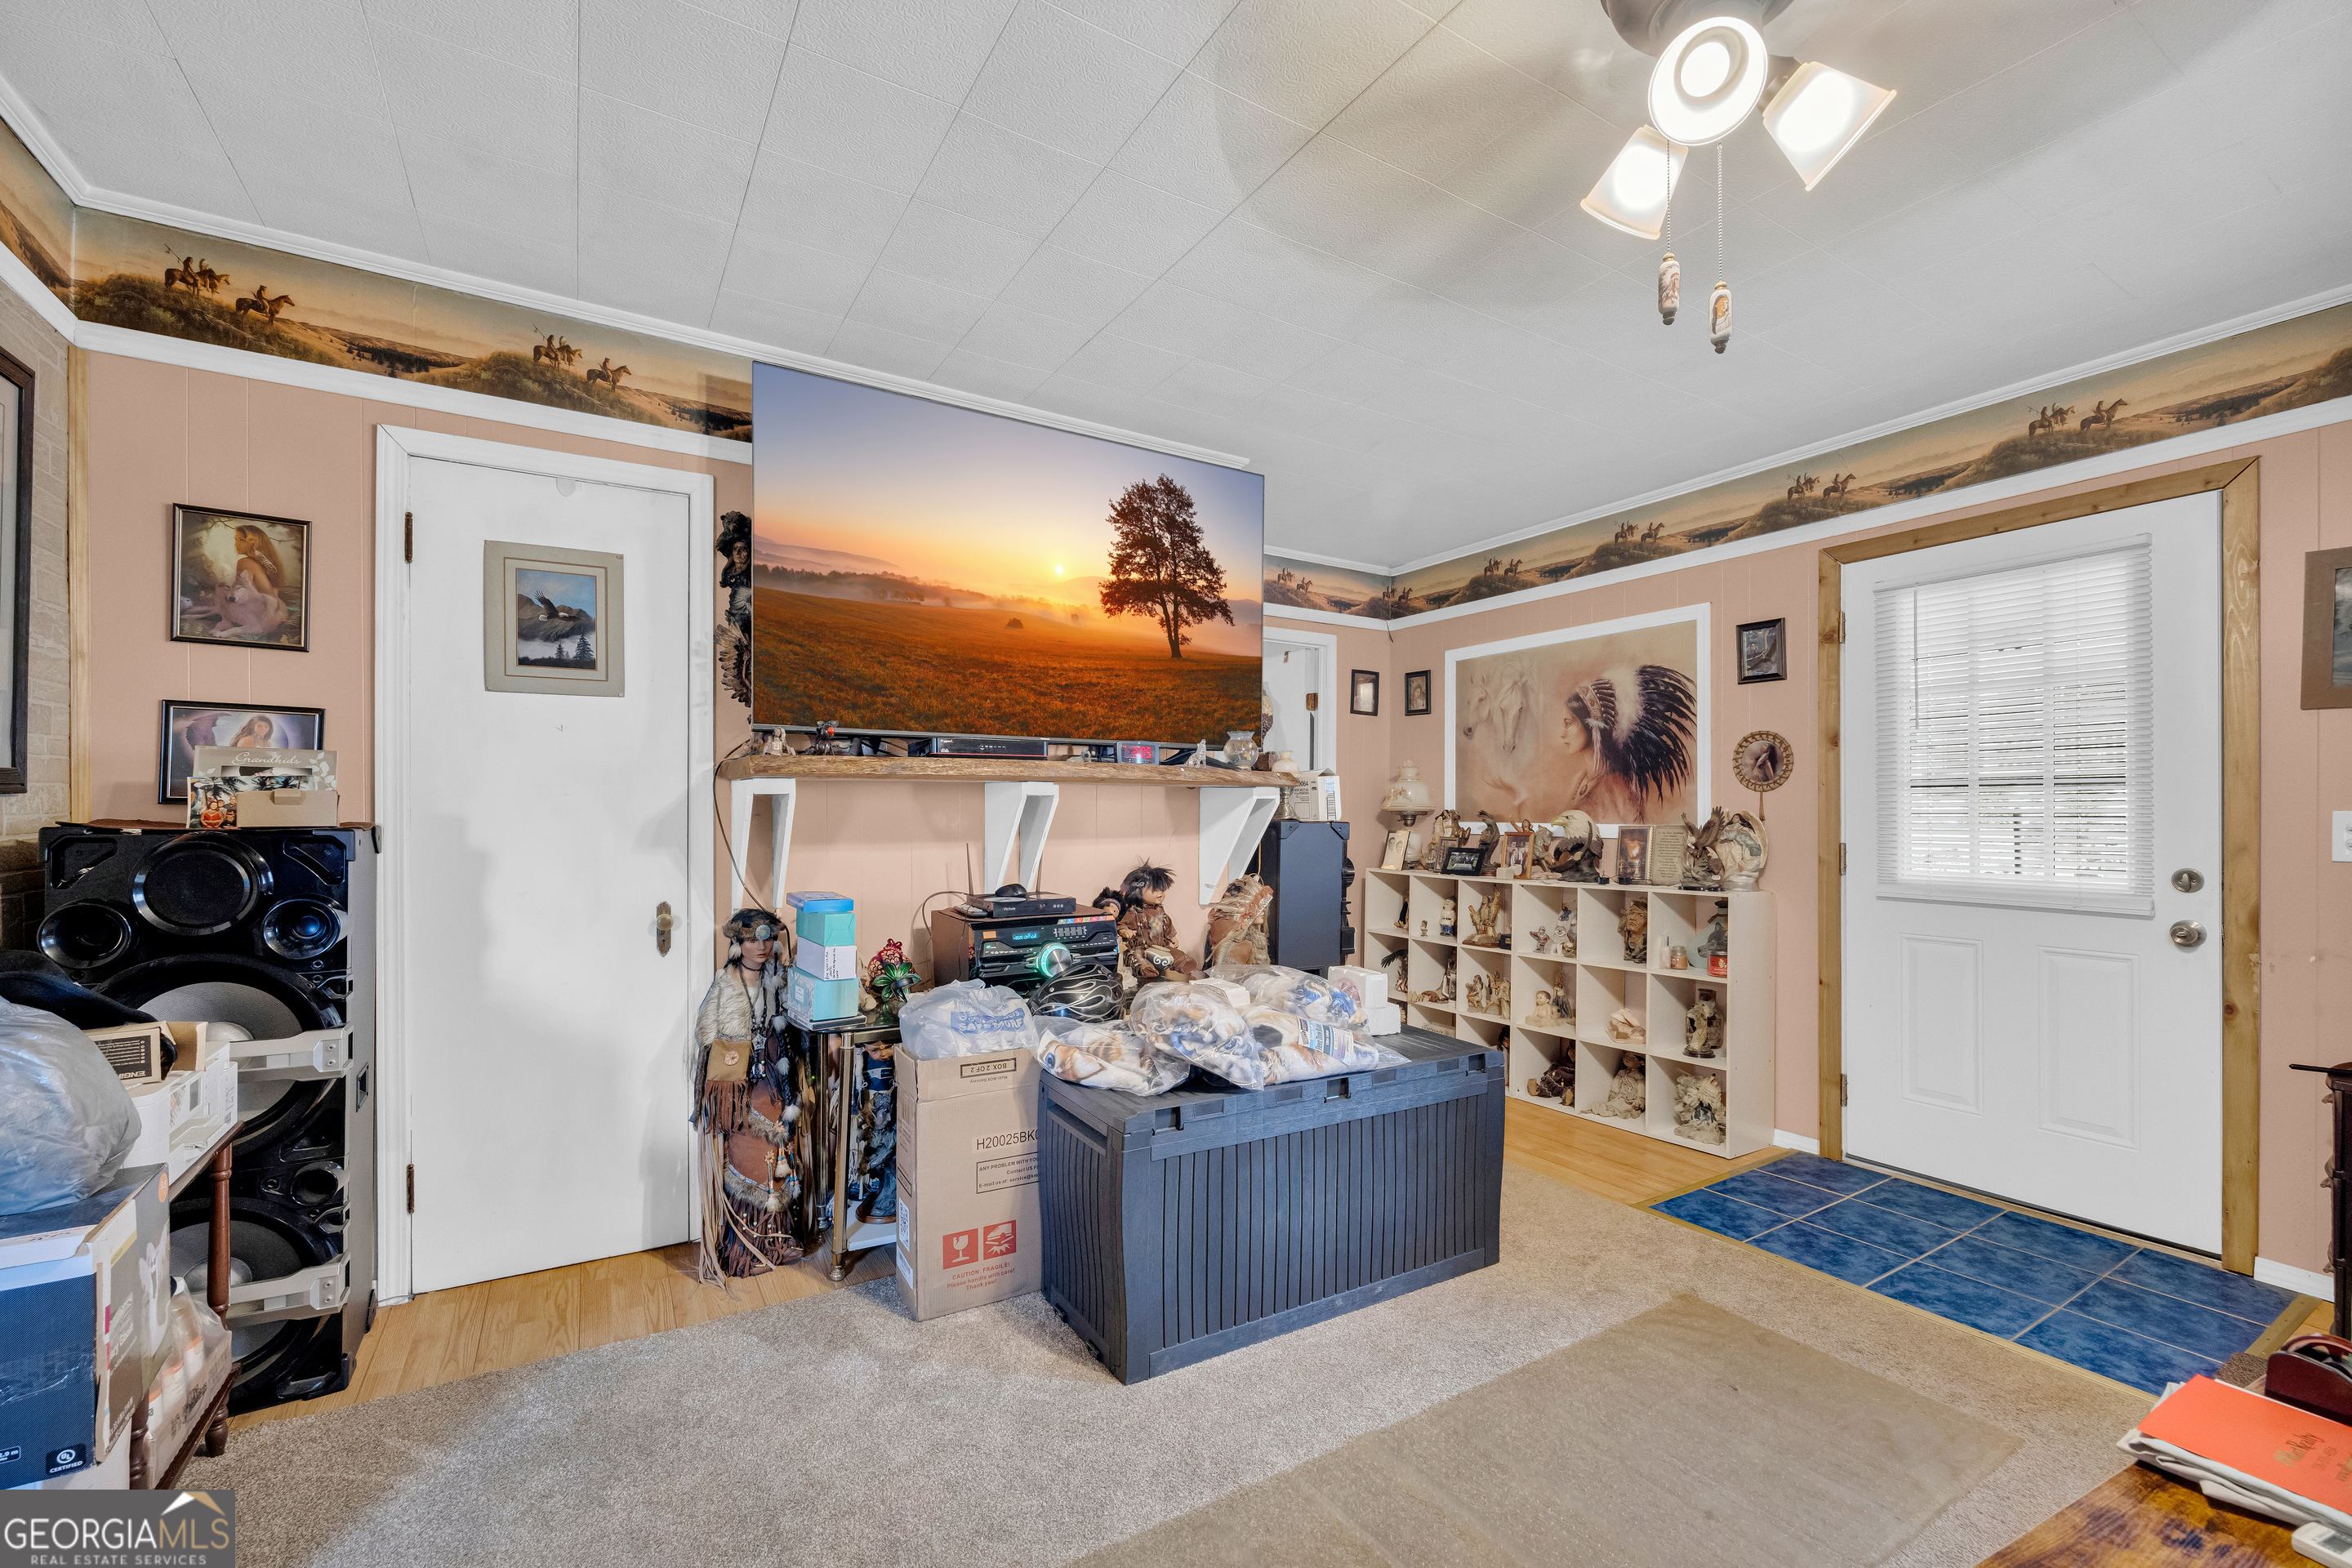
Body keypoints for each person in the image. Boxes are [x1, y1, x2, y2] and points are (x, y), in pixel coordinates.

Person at [692, 909, 806, 1278]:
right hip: (740, 1089)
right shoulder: (725, 983)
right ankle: (747, 1248)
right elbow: (706, 1036)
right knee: (746, 1158)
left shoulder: (780, 980)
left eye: (768, 938)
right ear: (738, 942)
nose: (762, 946)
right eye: (753, 939)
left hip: (776, 1082)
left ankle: (776, 1240)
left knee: (777, 1156)